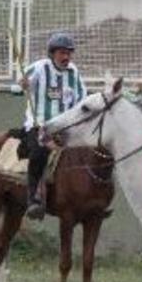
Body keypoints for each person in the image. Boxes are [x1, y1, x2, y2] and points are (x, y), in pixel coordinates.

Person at [19, 31, 87, 219]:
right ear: (52, 53)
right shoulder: (40, 67)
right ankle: (33, 199)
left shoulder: (74, 72)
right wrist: (22, 85)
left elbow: (82, 99)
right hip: (40, 125)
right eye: (62, 53)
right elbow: (16, 87)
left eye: (69, 53)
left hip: (66, 128)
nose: (66, 57)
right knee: (39, 153)